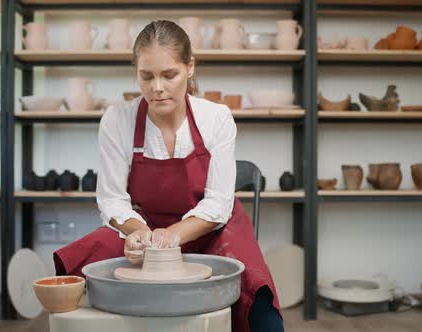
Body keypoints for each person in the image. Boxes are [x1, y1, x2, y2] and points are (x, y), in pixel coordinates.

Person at [54, 20, 284, 332]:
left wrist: (173, 235)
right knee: (86, 270)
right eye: (146, 76)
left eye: (169, 75)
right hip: (147, 229)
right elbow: (111, 198)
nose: (157, 87)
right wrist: (138, 233)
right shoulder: (117, 120)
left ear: (190, 67)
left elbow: (218, 203)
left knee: (257, 299)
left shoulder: (215, 118)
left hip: (214, 229)